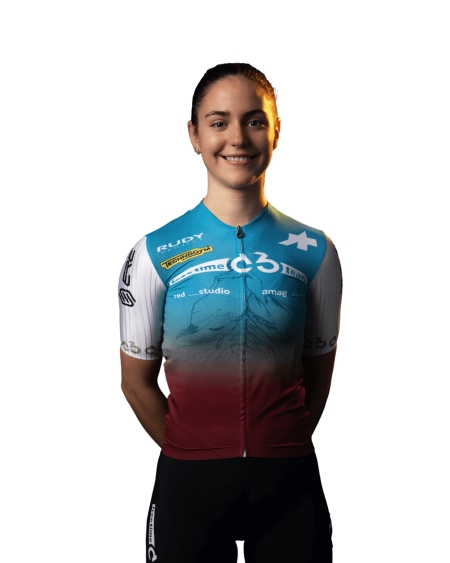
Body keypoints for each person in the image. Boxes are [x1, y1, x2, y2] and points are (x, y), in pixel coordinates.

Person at [118, 63, 342, 563]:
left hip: (289, 486)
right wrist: (193, 447)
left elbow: (319, 375)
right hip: (188, 487)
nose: (237, 137)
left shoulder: (316, 253)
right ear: (194, 135)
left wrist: (279, 443)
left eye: (254, 120)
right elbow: (135, 382)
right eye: (218, 122)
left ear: (276, 131)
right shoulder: (153, 253)